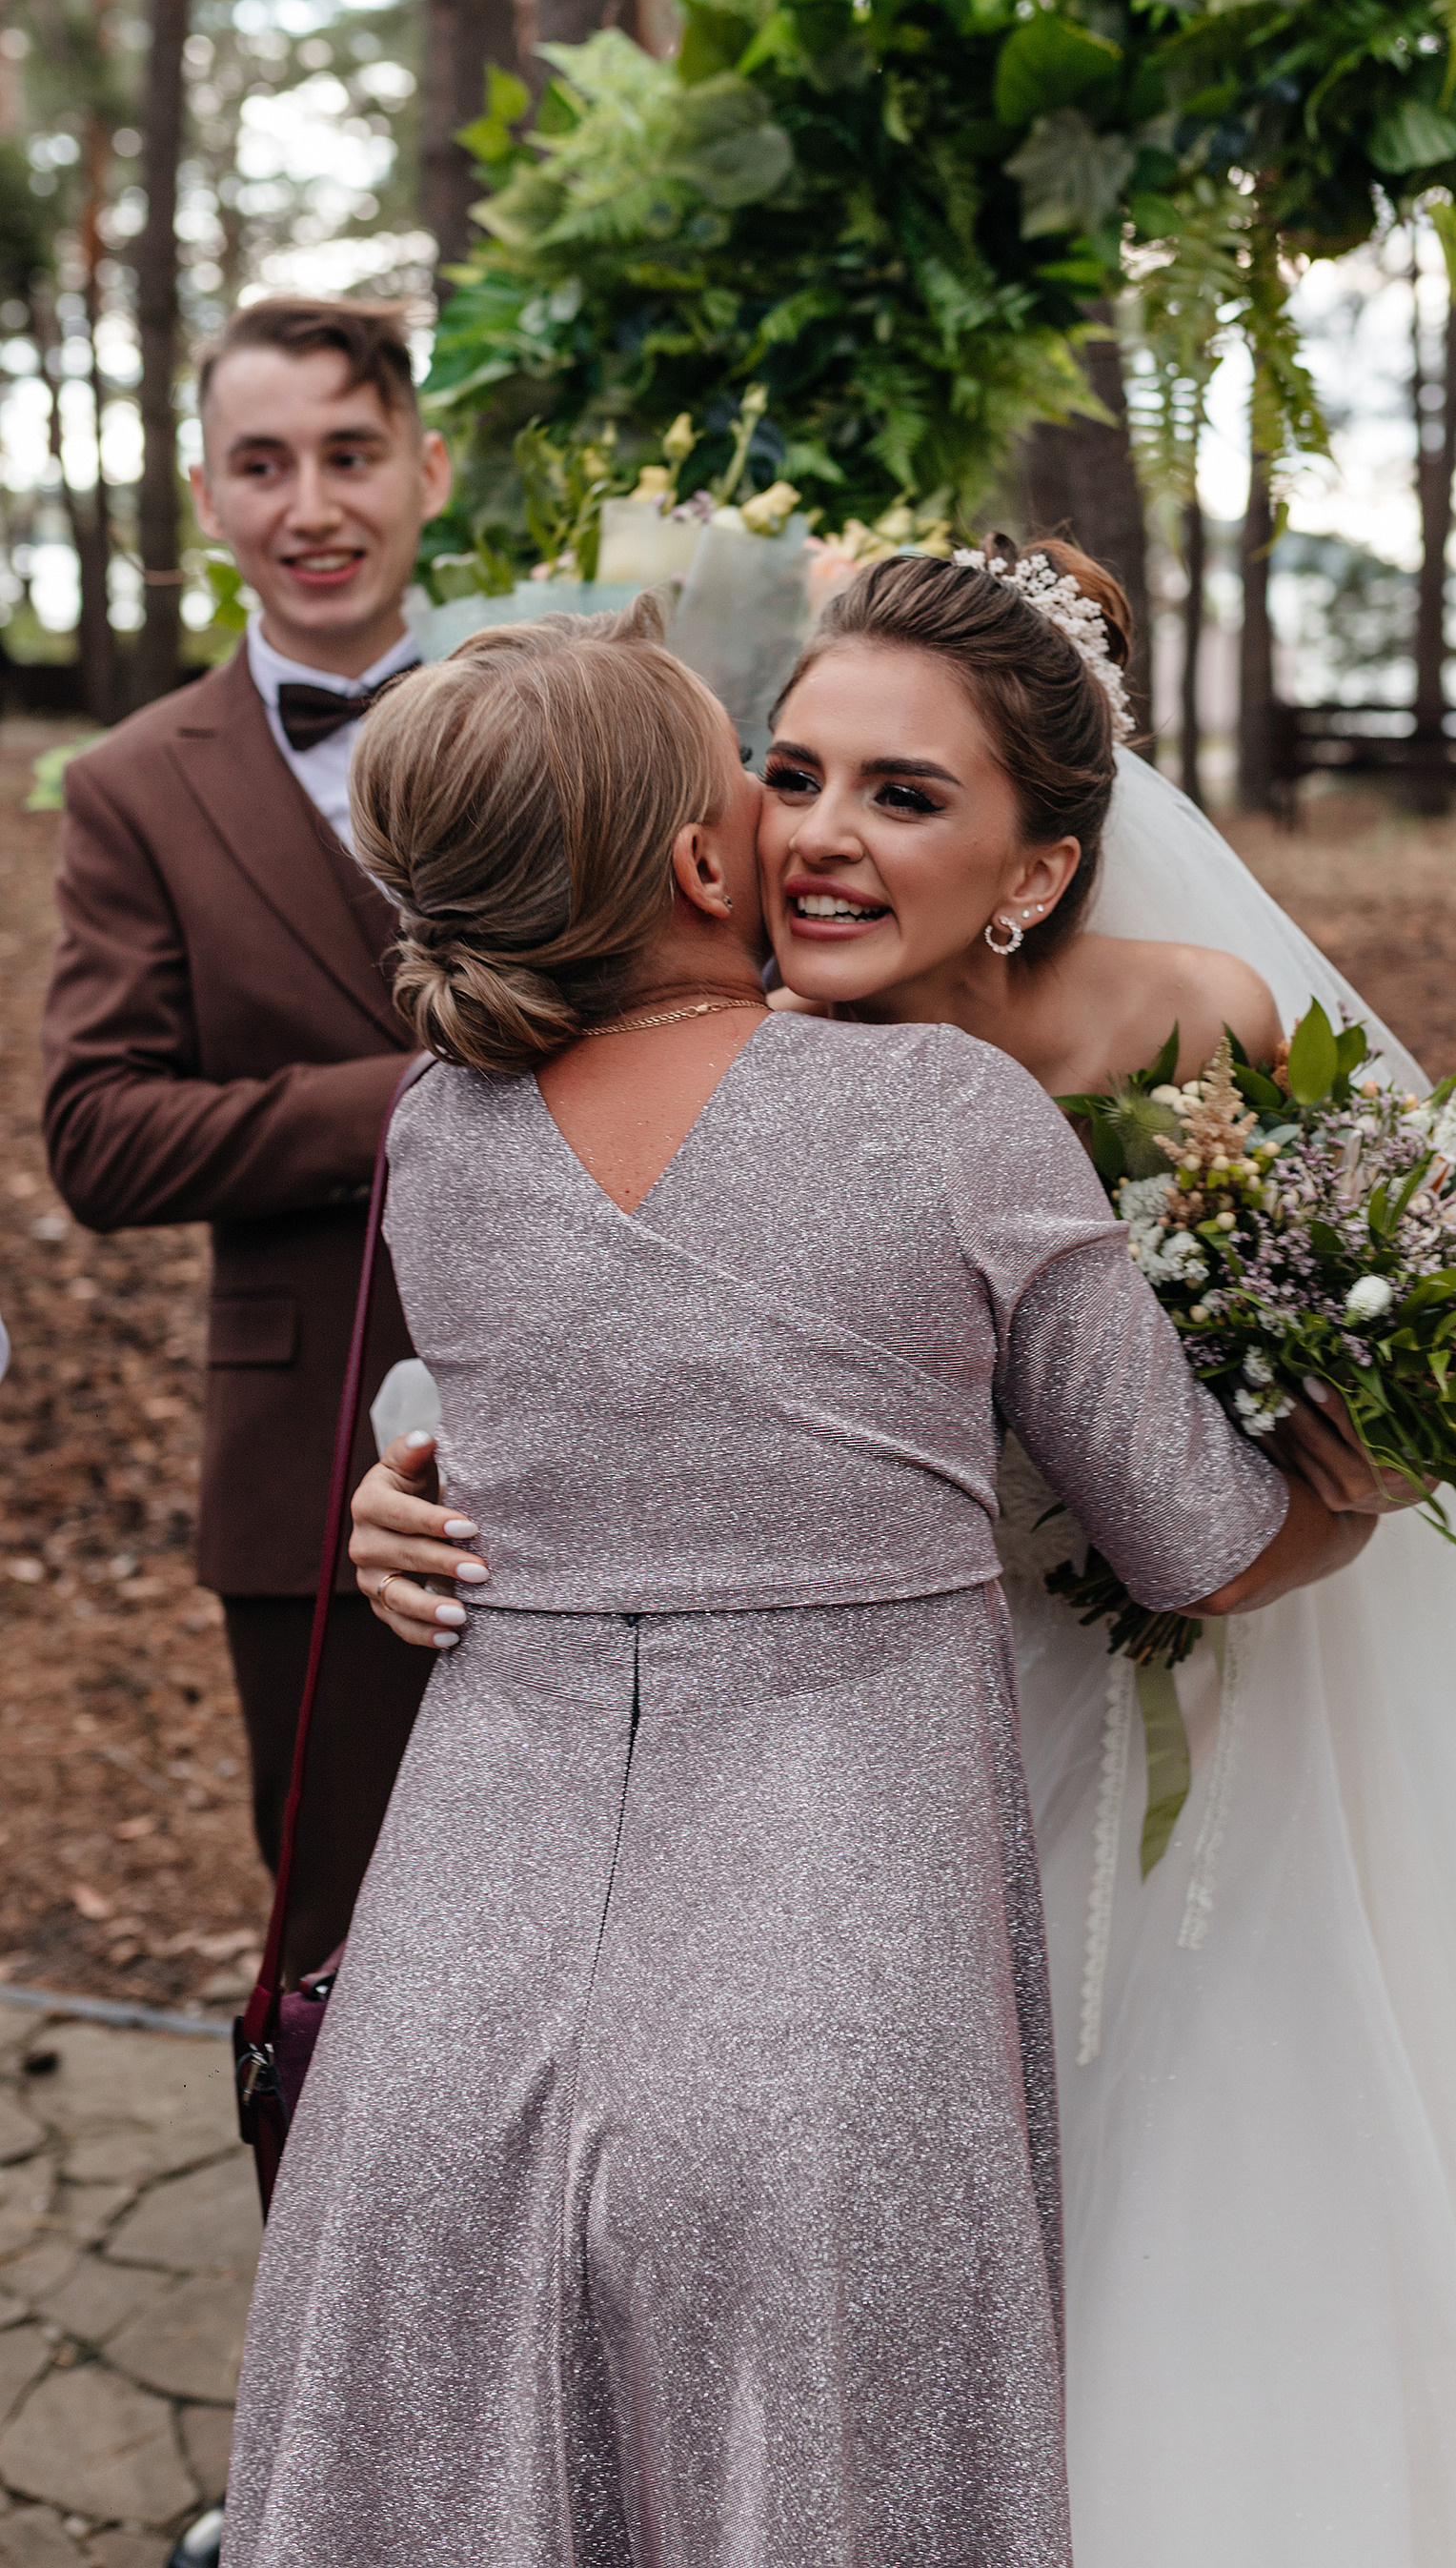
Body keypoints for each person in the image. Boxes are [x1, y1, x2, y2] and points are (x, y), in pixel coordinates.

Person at [359, 540, 1456, 2565]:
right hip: (847, 1739)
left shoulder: (1183, 1038)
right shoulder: (681, 1017)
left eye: (905, 798)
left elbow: (1262, 1457)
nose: (818, 838)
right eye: (790, 769)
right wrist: (418, 1472)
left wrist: (1366, 1456)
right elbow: (587, 1320)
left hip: (1146, 1701)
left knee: (1161, 2209)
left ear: (1032, 869)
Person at [221, 603, 1391, 2568]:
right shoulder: (942, 1119)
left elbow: (562, 1403)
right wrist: (1342, 1510)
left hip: (461, 1966)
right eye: (768, 777)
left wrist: (407, 1489)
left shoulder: (436, 1132)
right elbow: (1193, 1534)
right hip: (828, 1966)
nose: (815, 828)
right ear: (704, 859)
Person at [39, 295, 450, 1978]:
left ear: (426, 469)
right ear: (208, 497)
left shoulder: (564, 715)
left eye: (350, 456)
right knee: (349, 1949)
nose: (311, 507)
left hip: (612, 1419)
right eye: (263, 465)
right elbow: (99, 1133)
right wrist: (421, 1096)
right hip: (310, 1453)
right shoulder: (140, 783)